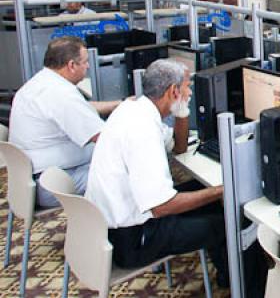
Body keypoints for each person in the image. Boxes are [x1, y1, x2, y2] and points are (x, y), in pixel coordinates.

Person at [85, 59, 230, 286]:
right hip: (132, 240)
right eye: (187, 86)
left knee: (206, 193)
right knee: (228, 222)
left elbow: (179, 147)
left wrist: (182, 112)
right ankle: (249, 288)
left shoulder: (136, 109)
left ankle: (228, 277)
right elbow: (162, 206)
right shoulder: (141, 130)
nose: (190, 91)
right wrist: (223, 190)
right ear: (173, 91)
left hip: (115, 225)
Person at [9, 36, 120, 207]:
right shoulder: (61, 94)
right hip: (53, 185)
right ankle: (125, 229)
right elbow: (106, 138)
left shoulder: (42, 83)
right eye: (85, 62)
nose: (88, 66)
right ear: (71, 65)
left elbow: (82, 108)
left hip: (31, 179)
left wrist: (117, 105)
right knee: (125, 172)